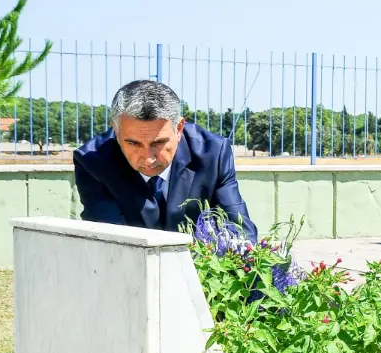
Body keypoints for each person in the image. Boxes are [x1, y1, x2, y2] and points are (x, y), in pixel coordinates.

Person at [74, 80, 257, 240]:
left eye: (159, 143)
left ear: (179, 129)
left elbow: (239, 230)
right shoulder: (92, 162)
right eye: (133, 143)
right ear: (116, 130)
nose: (148, 158)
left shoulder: (213, 154)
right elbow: (111, 241)